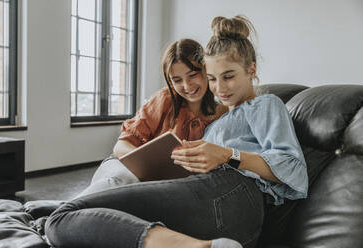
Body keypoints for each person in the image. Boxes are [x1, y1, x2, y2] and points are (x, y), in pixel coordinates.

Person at [46, 15, 308, 248]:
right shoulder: (218, 120)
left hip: (234, 196)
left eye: (229, 76)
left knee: (62, 218)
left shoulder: (265, 104)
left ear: (251, 69)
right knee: (64, 222)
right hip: (210, 207)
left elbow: (294, 170)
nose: (220, 88)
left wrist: (228, 155)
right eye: (213, 79)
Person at [76, 39, 227, 198]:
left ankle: (59, 213)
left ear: (206, 70)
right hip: (125, 167)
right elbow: (121, 146)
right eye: (177, 80)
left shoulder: (223, 114)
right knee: (124, 181)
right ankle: (61, 213)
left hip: (172, 185)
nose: (187, 86)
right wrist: (147, 167)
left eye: (193, 75)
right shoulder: (165, 99)